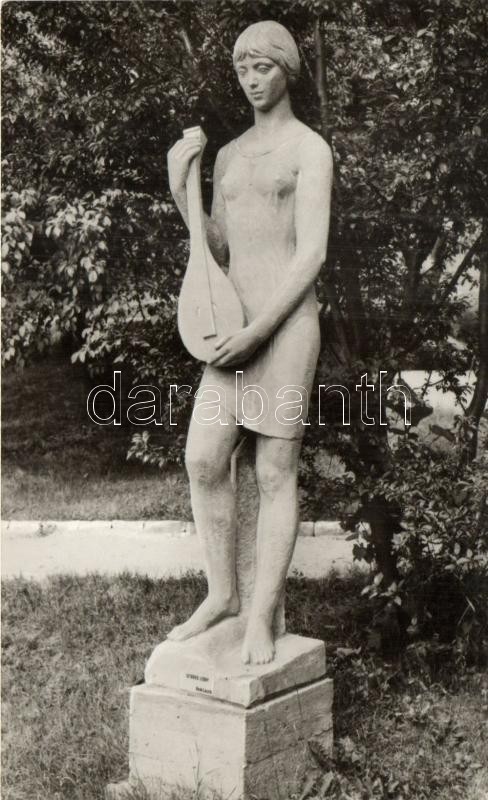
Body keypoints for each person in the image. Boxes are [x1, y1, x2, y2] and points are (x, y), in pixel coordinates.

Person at [167, 20, 332, 665]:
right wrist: (181, 189)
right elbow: (216, 247)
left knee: (272, 471)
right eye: (242, 70)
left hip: (283, 330)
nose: (252, 80)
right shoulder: (231, 155)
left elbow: (311, 254)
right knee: (204, 459)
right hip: (232, 326)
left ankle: (262, 618)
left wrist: (257, 333)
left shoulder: (309, 150)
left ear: (287, 71)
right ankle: (222, 594)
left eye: (263, 67)